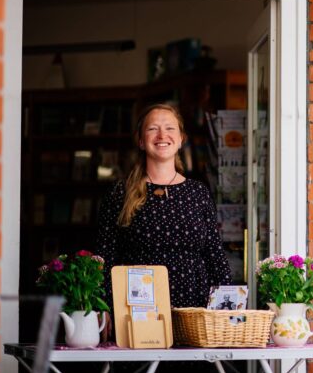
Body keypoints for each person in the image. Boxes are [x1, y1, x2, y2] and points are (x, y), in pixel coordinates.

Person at [96, 103, 232, 310]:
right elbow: (105, 255)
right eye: (153, 129)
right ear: (141, 141)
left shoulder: (198, 193)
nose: (162, 135)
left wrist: (228, 309)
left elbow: (215, 256)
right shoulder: (120, 193)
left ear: (180, 140)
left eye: (170, 128)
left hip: (194, 309)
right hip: (139, 311)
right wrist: (101, 307)